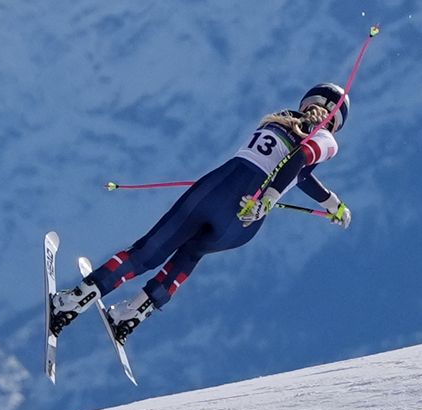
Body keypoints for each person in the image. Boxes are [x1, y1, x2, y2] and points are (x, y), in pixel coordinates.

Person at [49, 83, 353, 342]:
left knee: (148, 253)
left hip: (221, 188)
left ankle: (74, 302)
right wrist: (327, 203)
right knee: (192, 254)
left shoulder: (282, 118)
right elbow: (299, 167)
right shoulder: (326, 140)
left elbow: (296, 162)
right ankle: (133, 313)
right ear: (336, 122)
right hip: (245, 222)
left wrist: (315, 199)